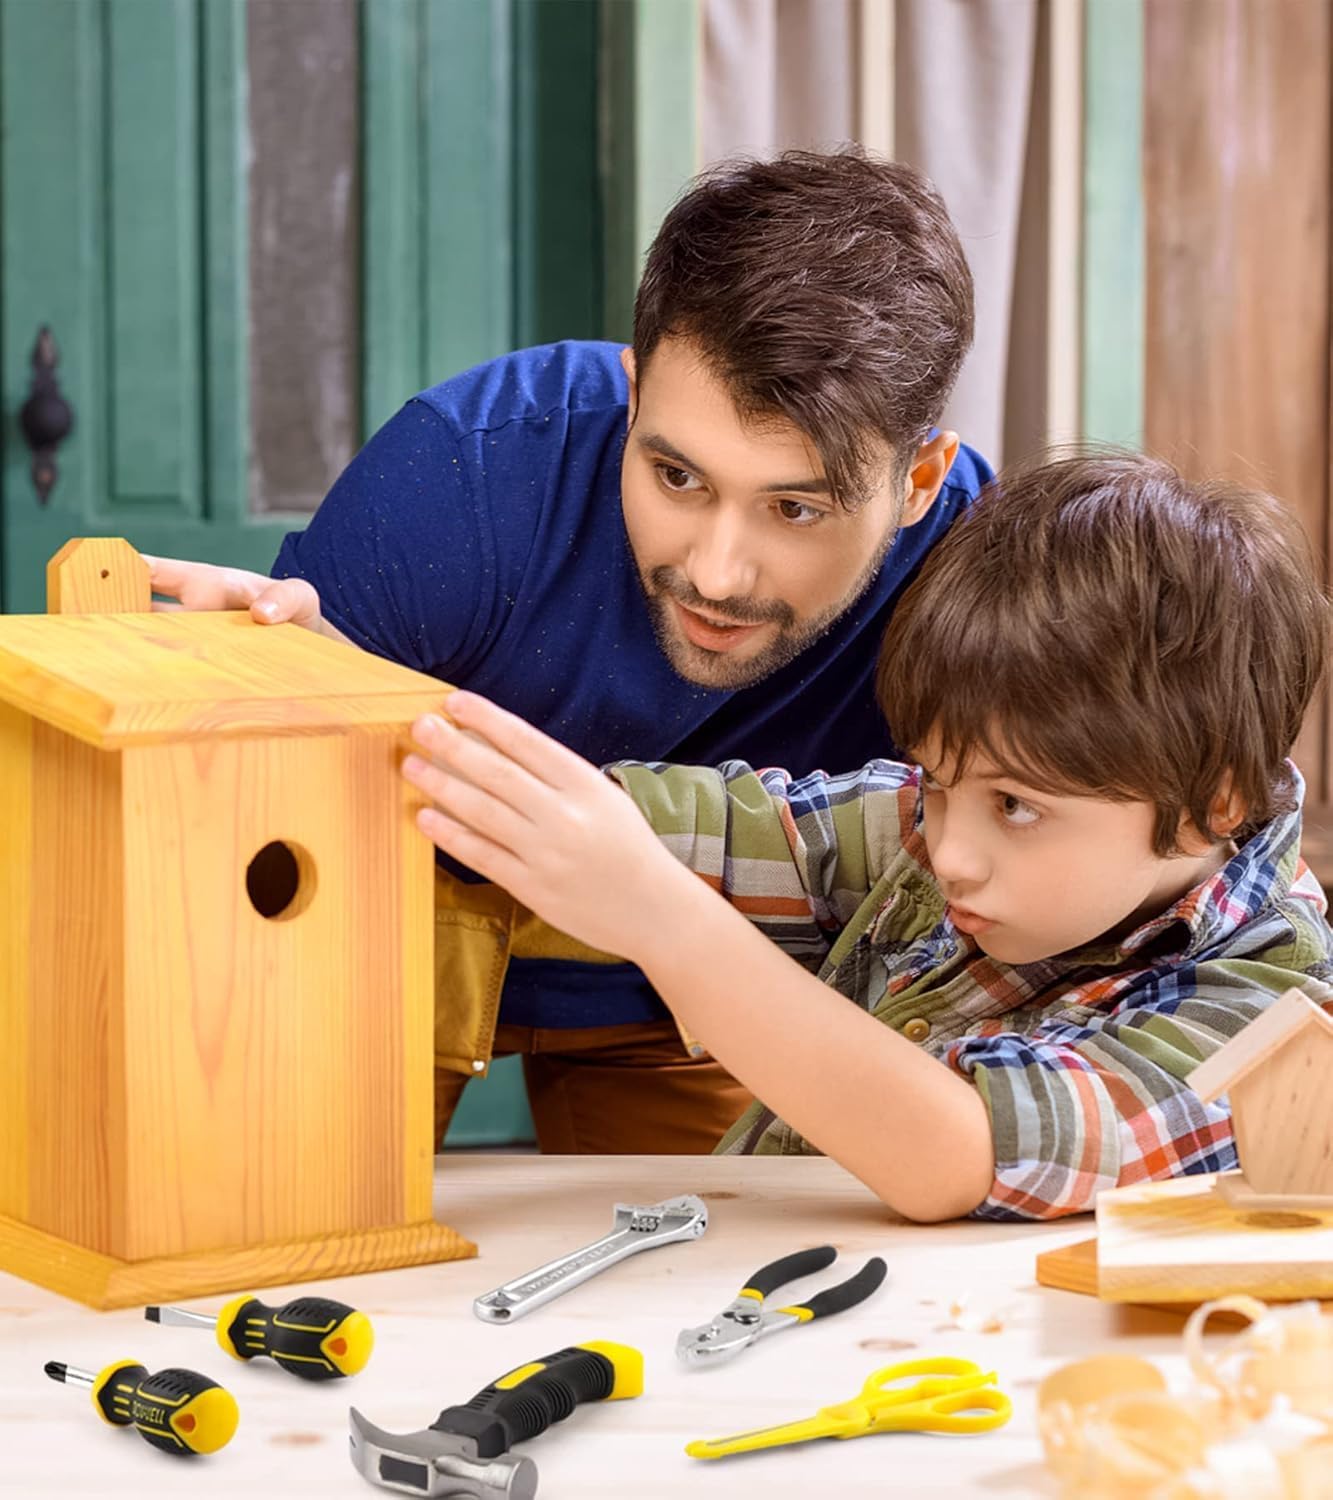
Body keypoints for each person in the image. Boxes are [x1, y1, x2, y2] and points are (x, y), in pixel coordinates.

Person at [146, 149, 992, 1155]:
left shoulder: (979, 573)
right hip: (375, 925)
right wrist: (295, 696)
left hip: (705, 962)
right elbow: (250, 841)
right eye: (676, 477)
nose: (717, 574)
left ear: (917, 482)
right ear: (632, 397)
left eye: (794, 508)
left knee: (733, 1237)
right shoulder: (460, 471)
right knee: (268, 1210)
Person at [399, 453, 1333, 1221]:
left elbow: (958, 1152)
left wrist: (663, 921)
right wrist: (386, 731)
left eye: (1015, 806)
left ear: (1211, 804)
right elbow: (702, 826)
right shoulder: (932, 830)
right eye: (937, 781)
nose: (948, 852)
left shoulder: (1273, 1015)